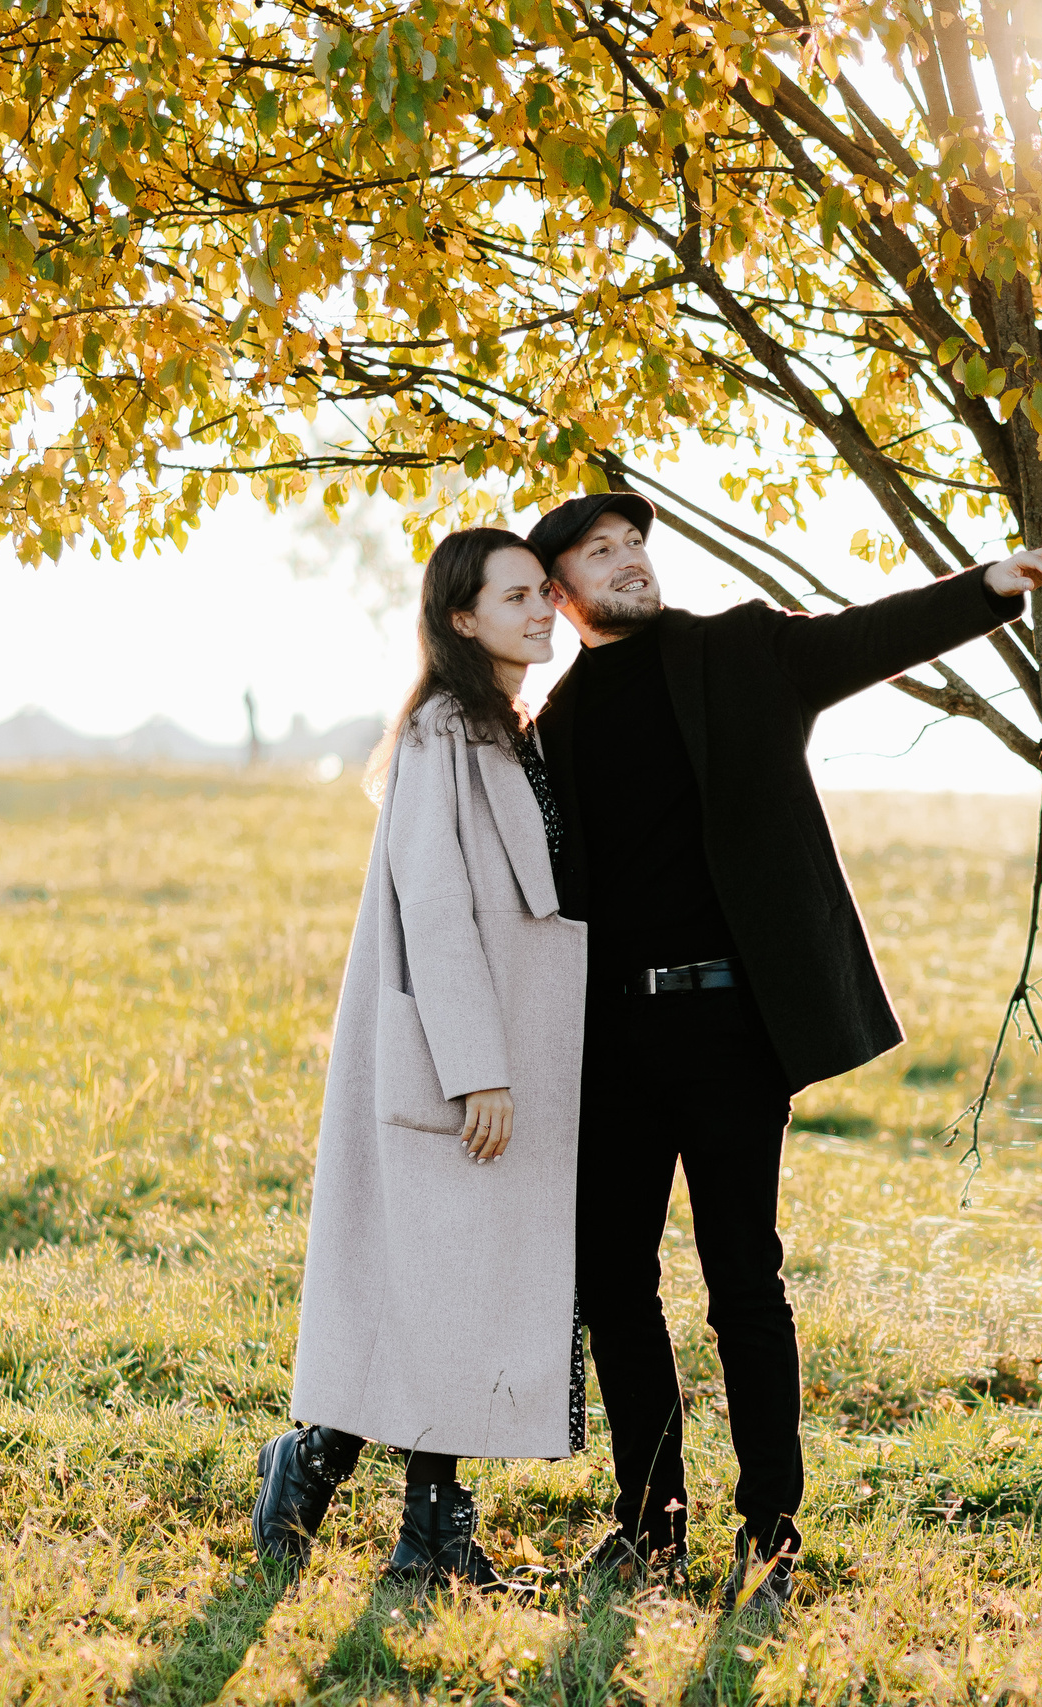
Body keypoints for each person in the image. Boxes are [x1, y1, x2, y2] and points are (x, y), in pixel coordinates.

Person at [528, 491, 1042, 1610]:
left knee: (744, 1279)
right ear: (558, 591)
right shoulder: (551, 726)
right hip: (611, 1040)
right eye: (600, 550)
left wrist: (988, 586)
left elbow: (864, 636)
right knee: (614, 1285)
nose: (630, 561)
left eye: (635, 544)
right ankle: (649, 1527)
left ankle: (769, 1535)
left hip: (732, 1030)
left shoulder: (739, 651)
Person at [252, 527, 587, 1590]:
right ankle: (390, 1510)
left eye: (544, 592)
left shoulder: (507, 726)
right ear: (461, 617)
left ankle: (368, 1499)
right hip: (458, 1056)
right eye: (515, 596)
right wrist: (478, 1066)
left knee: (455, 1285)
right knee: (444, 1281)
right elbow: (435, 906)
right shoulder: (444, 730)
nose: (541, 610)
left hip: (510, 1051)